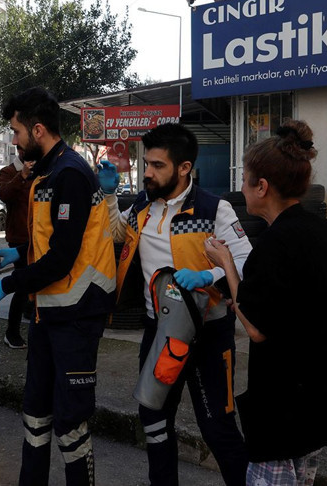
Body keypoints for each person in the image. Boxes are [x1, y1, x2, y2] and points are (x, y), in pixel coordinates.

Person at [0, 86, 117, 486]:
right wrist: (19, 253)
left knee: (71, 423)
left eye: (16, 132)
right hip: (49, 312)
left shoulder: (69, 173)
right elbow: (51, 241)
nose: (14, 140)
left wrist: (6, 287)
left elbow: (61, 258)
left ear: (38, 130)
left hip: (76, 315)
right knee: (35, 415)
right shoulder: (46, 173)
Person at [204, 121, 327, 486]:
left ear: (263, 186)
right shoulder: (326, 232)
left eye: (245, 179)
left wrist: (225, 263)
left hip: (287, 408)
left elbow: (256, 329)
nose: (240, 188)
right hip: (323, 401)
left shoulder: (275, 246)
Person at [98, 123, 252, 486]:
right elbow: (117, 236)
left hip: (208, 335)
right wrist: (107, 196)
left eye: (157, 165)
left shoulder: (215, 209)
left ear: (184, 168)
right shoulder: (142, 205)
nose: (148, 173)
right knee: (153, 421)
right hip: (158, 333)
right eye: (146, 164)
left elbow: (248, 260)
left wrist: (211, 276)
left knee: (218, 429)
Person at [0, 145, 35, 349]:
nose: (25, 152)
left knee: (33, 283)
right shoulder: (9, 171)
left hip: (38, 237)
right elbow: (4, 194)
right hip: (19, 239)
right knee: (21, 286)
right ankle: (11, 332)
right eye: (21, 149)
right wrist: (22, 175)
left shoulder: (41, 170)